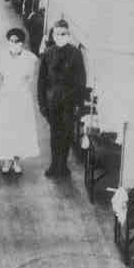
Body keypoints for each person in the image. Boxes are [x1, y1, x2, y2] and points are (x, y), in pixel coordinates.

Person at [0, 28, 40, 176]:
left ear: (22, 43)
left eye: (18, 41)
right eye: (12, 41)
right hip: (6, 97)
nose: (14, 43)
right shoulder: (1, 57)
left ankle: (16, 160)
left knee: (20, 128)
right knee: (6, 127)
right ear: (8, 41)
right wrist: (2, 92)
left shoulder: (30, 58)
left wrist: (22, 88)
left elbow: (30, 78)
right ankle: (7, 159)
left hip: (22, 97)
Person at [38, 20, 87, 178]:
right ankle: (54, 165)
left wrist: (78, 103)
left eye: (63, 34)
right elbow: (42, 81)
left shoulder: (75, 54)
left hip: (69, 102)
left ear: (68, 34)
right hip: (52, 101)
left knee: (66, 134)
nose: (60, 36)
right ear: (53, 35)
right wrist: (42, 104)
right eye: (57, 33)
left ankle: (63, 166)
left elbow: (81, 80)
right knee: (54, 134)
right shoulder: (48, 53)